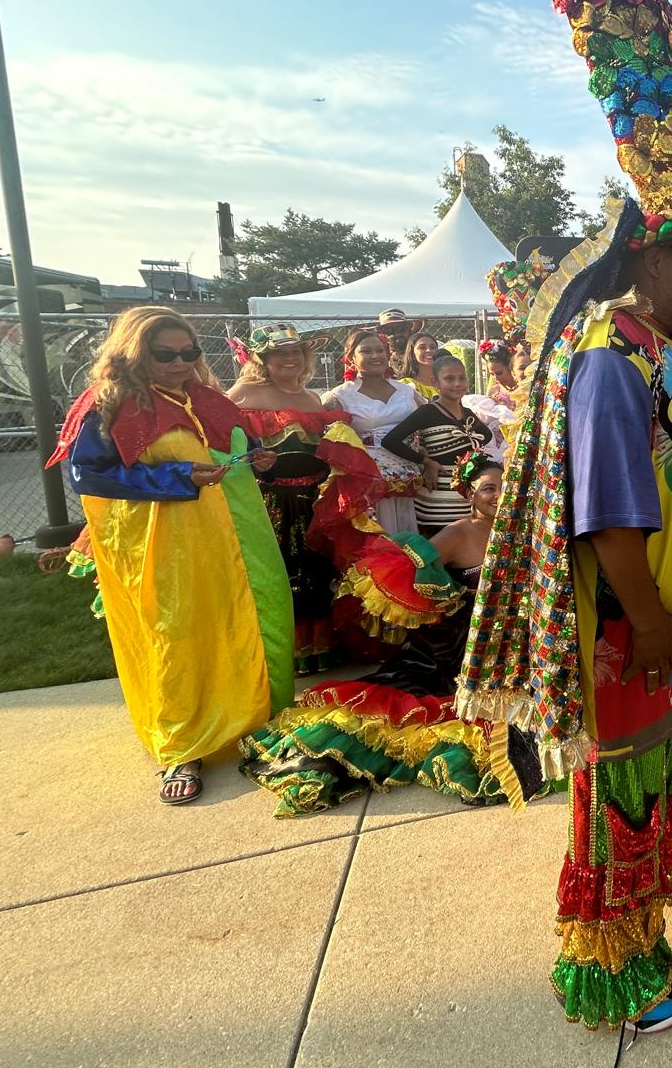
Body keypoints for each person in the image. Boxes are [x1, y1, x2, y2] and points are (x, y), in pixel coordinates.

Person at [456, 0, 672, 1038]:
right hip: (631, 628)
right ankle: (614, 971)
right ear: (645, 263)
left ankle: (661, 873)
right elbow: (615, 522)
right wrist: (658, 630)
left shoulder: (663, 358)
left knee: (662, 762)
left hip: (668, 618)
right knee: (618, 781)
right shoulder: (609, 367)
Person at [46, 306, 294, 804]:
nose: (181, 362)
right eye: (166, 354)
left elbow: (227, 454)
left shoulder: (204, 397)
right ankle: (182, 745)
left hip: (240, 534)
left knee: (260, 615)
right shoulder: (108, 403)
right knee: (177, 634)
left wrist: (259, 461)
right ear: (134, 352)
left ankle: (256, 719)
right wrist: (175, 478)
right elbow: (87, 476)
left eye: (190, 353)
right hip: (167, 544)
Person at [241, 453, 550, 814]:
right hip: (467, 650)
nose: (499, 495)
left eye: (507, 486)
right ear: (468, 494)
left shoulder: (523, 529)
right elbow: (409, 581)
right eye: (488, 488)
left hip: (517, 643)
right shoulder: (456, 534)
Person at [226, 322, 342, 676]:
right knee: (280, 574)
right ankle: (280, 654)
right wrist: (255, 462)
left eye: (295, 351)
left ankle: (317, 650)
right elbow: (227, 449)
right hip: (271, 502)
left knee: (318, 573)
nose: (289, 358)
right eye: (280, 353)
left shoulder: (310, 398)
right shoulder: (243, 394)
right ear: (262, 359)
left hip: (313, 499)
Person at [381, 352, 499, 535]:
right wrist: (426, 461)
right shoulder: (427, 412)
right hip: (435, 504)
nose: (457, 384)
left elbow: (486, 436)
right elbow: (390, 440)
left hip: (464, 502)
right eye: (449, 379)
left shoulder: (468, 413)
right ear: (435, 382)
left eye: (461, 378)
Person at [322, 328, 421, 534]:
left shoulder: (407, 391)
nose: (375, 356)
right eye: (366, 351)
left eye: (380, 350)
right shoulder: (340, 396)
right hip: (367, 483)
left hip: (409, 478)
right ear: (351, 358)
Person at [398, 331, 444, 399]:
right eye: (422, 347)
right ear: (412, 353)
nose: (428, 350)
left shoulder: (446, 383)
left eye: (433, 347)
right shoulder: (405, 385)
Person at [479, 339, 517, 405]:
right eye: (492, 374)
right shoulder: (494, 391)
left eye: (499, 373)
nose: (496, 378)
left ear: (510, 368)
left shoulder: (523, 388)